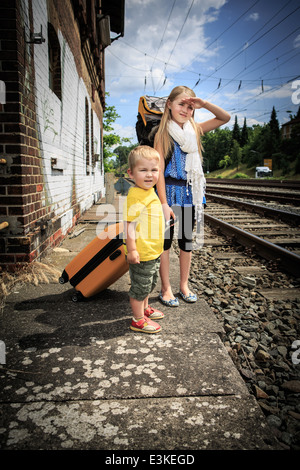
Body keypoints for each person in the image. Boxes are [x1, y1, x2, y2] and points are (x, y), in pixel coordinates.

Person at [154, 85, 230, 307]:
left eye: (190, 107)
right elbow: (158, 171)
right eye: (181, 105)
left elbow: (224, 117)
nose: (186, 110)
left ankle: (184, 285)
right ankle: (166, 288)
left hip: (189, 193)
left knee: (187, 242)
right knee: (165, 243)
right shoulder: (163, 134)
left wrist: (203, 104)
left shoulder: (194, 130)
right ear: (169, 105)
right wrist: (163, 203)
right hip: (168, 191)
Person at [123, 145, 165, 333]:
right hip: (141, 252)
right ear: (131, 173)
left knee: (149, 282)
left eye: (154, 170)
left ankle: (145, 309)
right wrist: (132, 250)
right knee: (140, 287)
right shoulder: (135, 195)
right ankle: (138, 320)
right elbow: (129, 225)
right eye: (143, 170)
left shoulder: (149, 192)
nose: (149, 175)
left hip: (153, 251)